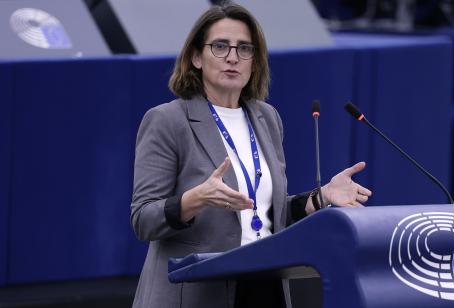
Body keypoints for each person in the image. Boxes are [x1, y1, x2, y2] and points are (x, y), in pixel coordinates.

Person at [130, 3, 372, 307]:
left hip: (264, 286)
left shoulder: (267, 118)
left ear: (255, 62)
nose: (233, 57)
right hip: (196, 293)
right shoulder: (167, 120)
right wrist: (196, 199)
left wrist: (319, 198)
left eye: (245, 48)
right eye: (220, 46)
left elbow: (265, 213)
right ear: (196, 57)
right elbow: (144, 219)